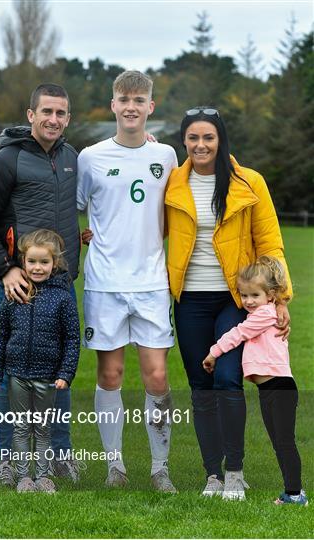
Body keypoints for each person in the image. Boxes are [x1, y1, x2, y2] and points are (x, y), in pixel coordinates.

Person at [165, 107, 292, 500]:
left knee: (226, 378)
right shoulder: (172, 183)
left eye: (208, 137)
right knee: (201, 385)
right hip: (188, 300)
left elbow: (270, 242)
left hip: (238, 299)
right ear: (183, 142)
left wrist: (281, 297)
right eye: (192, 138)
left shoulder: (248, 182)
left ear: (220, 141)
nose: (200, 145)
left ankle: (235, 472)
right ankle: (212, 476)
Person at [0, 83, 81, 485]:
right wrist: (5, 269)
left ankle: (60, 457)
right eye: (46, 111)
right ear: (30, 115)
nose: (53, 119)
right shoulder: (5, 161)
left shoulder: (71, 158)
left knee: (60, 374)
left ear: (68, 118)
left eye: (61, 113)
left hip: (61, 284)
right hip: (19, 285)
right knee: (9, 375)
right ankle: (6, 459)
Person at [77, 71, 178, 492]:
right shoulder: (90, 157)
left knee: (156, 377)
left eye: (139, 100)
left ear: (150, 107)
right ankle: (114, 466)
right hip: (104, 284)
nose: (131, 106)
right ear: (113, 105)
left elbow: (175, 216)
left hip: (152, 283)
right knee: (111, 374)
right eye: (124, 99)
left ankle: (160, 468)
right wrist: (83, 235)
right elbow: (73, 209)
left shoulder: (168, 156)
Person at [203, 256, 308, 506]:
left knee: (284, 442)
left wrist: (213, 352)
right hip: (268, 389)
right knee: (279, 443)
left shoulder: (265, 314)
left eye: (254, 295)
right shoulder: (263, 310)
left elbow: (238, 334)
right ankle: (291, 492)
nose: (248, 301)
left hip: (279, 387)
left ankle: (295, 494)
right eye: (244, 295)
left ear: (271, 295)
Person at [0, 229, 80, 493]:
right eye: (32, 262)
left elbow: (72, 339)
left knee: (42, 428)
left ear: (55, 263)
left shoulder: (62, 298)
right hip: (17, 374)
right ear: (22, 262)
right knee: (19, 428)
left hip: (47, 377)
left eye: (44, 262)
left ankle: (43, 477)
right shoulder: (15, 294)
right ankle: (22, 478)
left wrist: (66, 373)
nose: (37, 268)